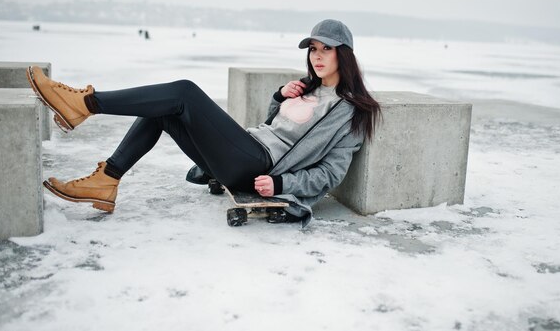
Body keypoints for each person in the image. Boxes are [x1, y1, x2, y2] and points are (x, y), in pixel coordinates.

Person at [26, 19, 381, 226]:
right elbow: (274, 127)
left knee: (183, 92)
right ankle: (106, 180)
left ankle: (86, 103)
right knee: (164, 110)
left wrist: (282, 182)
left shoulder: (351, 111)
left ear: (343, 55)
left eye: (326, 50)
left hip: (258, 167)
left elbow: (331, 173)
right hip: (248, 148)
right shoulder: (305, 88)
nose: (317, 57)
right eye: (313, 50)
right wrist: (280, 98)